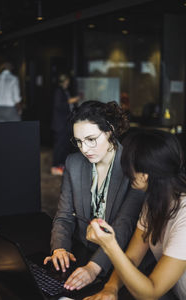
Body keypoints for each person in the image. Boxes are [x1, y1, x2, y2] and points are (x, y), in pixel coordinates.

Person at [44, 100, 145, 291]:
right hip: (81, 252)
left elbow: (124, 226)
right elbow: (64, 216)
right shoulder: (74, 163)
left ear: (110, 131)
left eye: (91, 139)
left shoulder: (134, 166)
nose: (84, 149)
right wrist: (60, 248)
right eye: (79, 142)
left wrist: (93, 268)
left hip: (121, 262)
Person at [85, 129, 186, 300]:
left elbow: (151, 292)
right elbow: (132, 257)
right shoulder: (155, 201)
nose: (125, 172)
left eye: (128, 166)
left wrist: (110, 245)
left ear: (145, 175)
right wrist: (111, 288)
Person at [50, 73, 79, 176]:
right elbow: (59, 105)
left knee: (65, 145)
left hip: (65, 122)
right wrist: (72, 100)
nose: (68, 82)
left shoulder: (65, 91)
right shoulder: (58, 91)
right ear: (63, 81)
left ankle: (61, 165)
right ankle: (55, 166)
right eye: (67, 80)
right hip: (59, 123)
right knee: (59, 146)